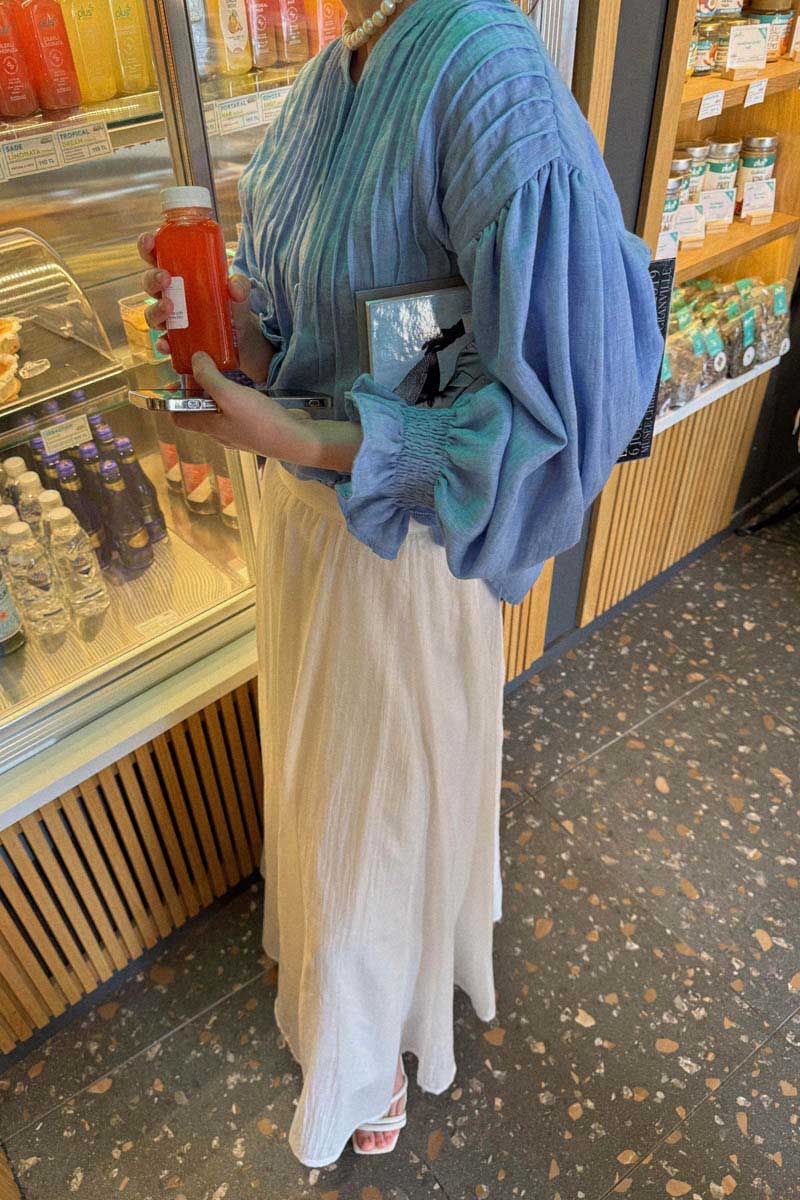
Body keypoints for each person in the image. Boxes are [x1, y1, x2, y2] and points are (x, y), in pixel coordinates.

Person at [138, 0, 664, 1168]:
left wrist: (316, 440)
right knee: (338, 797)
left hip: (393, 550)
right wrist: (234, 332)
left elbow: (581, 389)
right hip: (301, 531)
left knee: (370, 816)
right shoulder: (321, 77)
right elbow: (316, 333)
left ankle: (366, 1053)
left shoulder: (482, 66)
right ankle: (363, 1006)